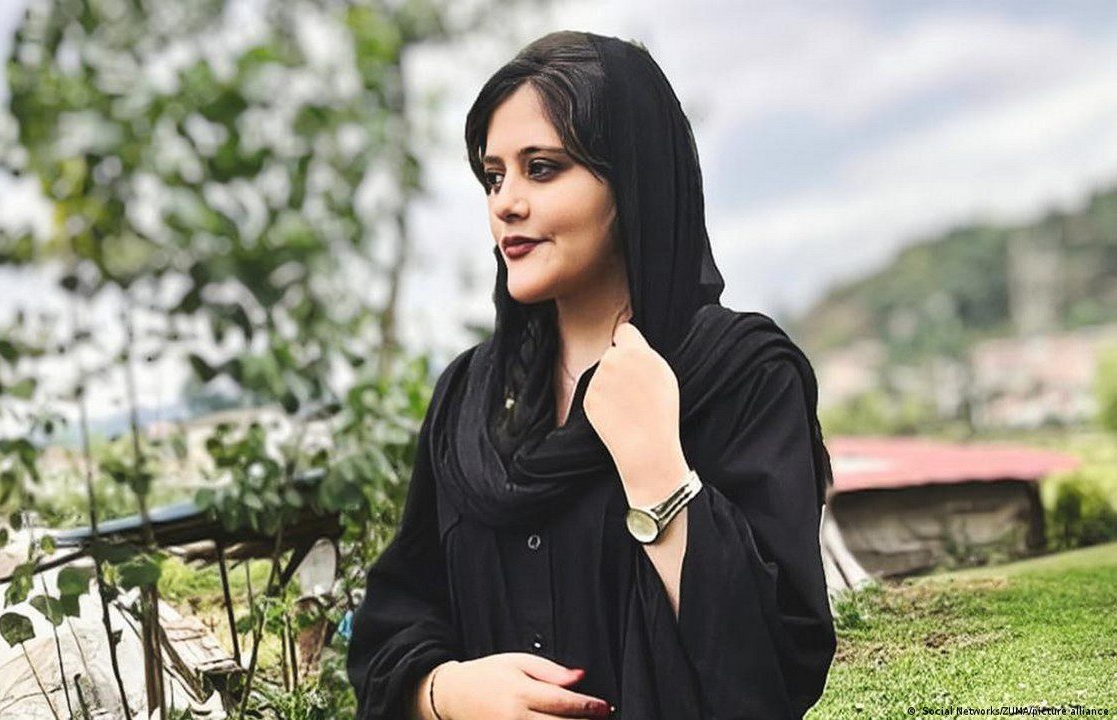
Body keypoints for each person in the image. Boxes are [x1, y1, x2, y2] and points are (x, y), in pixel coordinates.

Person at [347, 30, 837, 720]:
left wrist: (659, 472)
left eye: (542, 168)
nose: (505, 203)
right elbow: (394, 622)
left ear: (632, 180)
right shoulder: (469, 401)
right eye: (494, 176)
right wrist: (445, 692)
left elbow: (777, 669)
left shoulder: (741, 376)